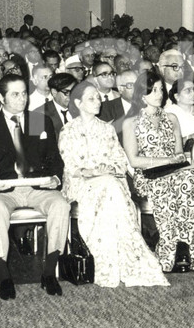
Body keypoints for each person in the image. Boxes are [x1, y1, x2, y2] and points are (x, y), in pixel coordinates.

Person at [57, 83, 169, 288]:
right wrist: (94, 171)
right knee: (110, 187)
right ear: (78, 103)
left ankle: (127, 262)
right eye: (91, 98)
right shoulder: (68, 130)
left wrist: (108, 168)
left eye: (98, 97)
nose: (98, 101)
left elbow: (120, 160)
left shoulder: (107, 129)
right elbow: (71, 165)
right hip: (81, 184)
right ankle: (104, 265)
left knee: (111, 186)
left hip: (109, 183)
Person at [0, 76, 69, 300]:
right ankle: (4, 274)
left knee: (61, 205)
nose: (22, 98)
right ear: (1, 97)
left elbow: (55, 159)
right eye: (15, 94)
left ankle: (49, 272)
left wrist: (54, 177)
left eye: (24, 93)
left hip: (37, 187)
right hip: (4, 189)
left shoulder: (39, 121)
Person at [123, 71, 194, 273]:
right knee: (174, 185)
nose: (159, 94)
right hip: (148, 174)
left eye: (161, 89)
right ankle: (171, 252)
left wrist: (177, 160)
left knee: (191, 181)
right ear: (141, 95)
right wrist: (165, 160)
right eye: (153, 90)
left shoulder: (171, 118)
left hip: (174, 170)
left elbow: (179, 152)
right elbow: (135, 160)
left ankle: (187, 247)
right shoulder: (132, 122)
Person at [166, 78, 194, 152]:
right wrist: (190, 137)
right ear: (177, 96)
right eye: (188, 91)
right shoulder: (170, 113)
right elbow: (168, 144)